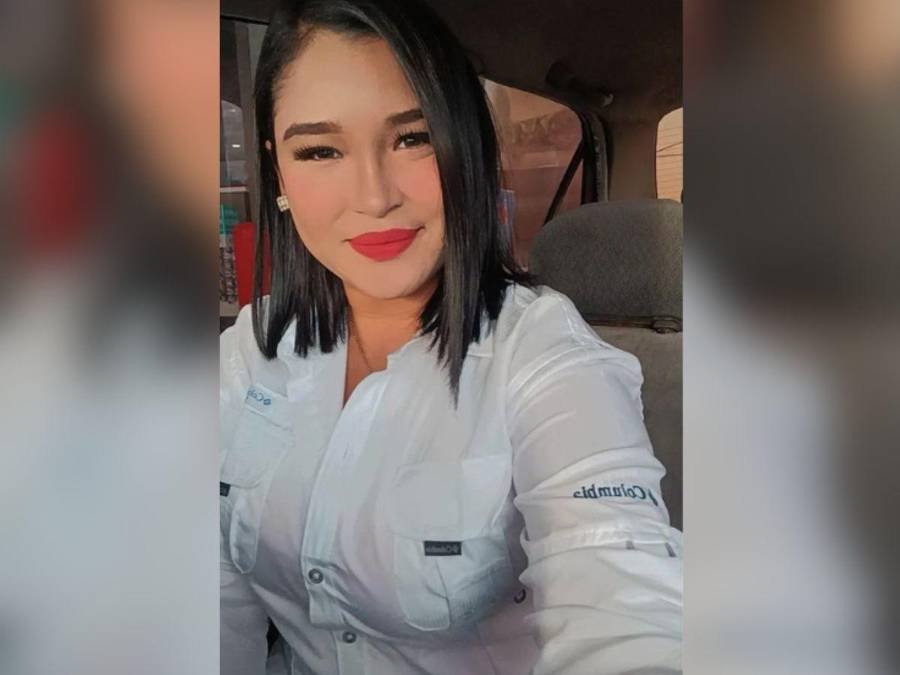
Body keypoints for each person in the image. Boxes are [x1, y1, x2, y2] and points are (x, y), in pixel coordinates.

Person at [219, 1, 683, 673]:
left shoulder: (546, 357)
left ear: (466, 145)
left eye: (413, 138)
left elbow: (622, 594)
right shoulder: (251, 349)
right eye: (320, 150)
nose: (374, 196)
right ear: (279, 171)